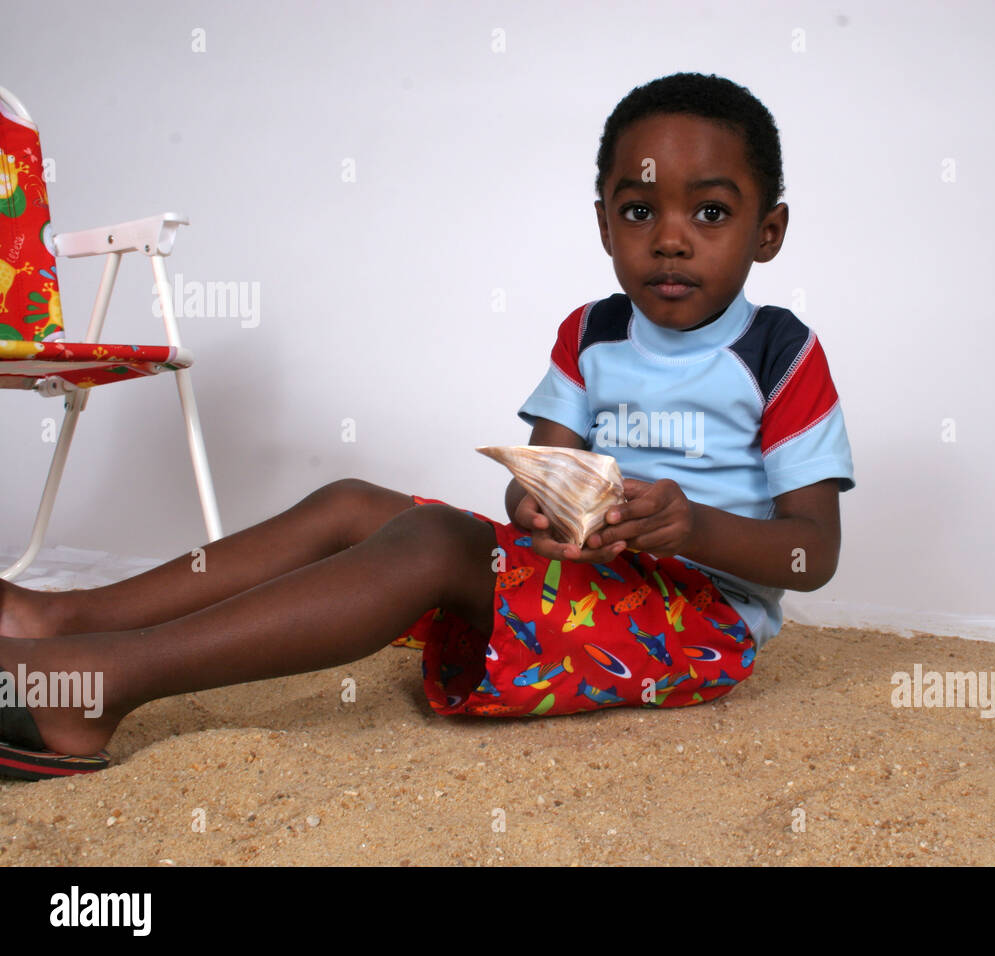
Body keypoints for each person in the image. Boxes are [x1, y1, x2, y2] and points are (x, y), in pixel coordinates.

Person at [0, 72, 853, 780]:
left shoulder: (779, 352)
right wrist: (540, 510)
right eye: (639, 211)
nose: (671, 240)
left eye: (710, 213)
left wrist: (690, 525)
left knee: (438, 541)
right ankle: (69, 623)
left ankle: (101, 683)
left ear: (767, 231)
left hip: (701, 623)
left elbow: (812, 557)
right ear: (603, 223)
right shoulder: (592, 332)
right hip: (599, 582)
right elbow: (540, 480)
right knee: (350, 503)